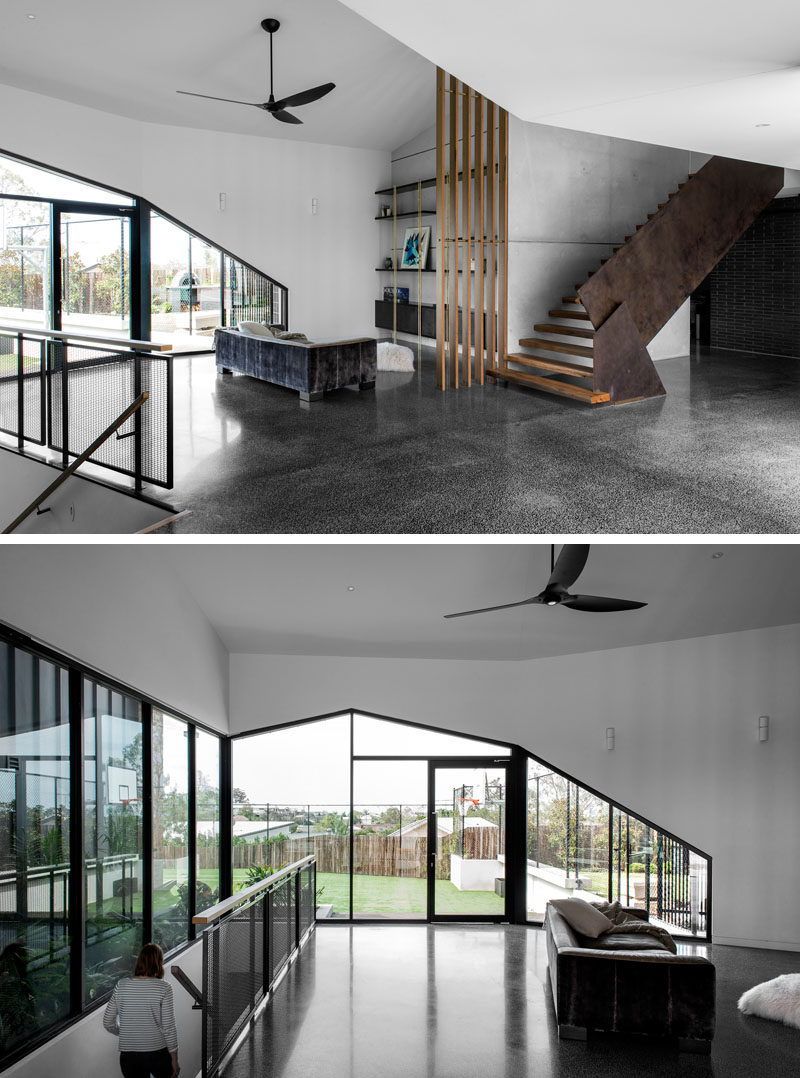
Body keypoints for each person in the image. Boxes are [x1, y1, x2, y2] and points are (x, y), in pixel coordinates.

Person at [103, 943, 180, 1078]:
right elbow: (168, 1027)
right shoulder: (164, 988)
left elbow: (108, 1022)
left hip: (129, 1055)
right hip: (157, 1052)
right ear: (159, 962)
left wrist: (125, 1032)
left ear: (139, 961)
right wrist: (174, 1059)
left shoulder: (121, 985)